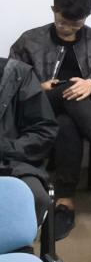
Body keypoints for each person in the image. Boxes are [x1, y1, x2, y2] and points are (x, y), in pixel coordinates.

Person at [9, 0, 91, 240]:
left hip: (81, 112)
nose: (67, 29)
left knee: (67, 123)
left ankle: (65, 202)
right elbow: (13, 77)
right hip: (38, 106)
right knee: (66, 87)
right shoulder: (30, 39)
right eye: (62, 22)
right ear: (53, 10)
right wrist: (39, 86)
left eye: (75, 24)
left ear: (86, 18)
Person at [0, 56, 58, 225]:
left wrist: (5, 147)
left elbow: (43, 130)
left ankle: (19, 240)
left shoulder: (17, 74)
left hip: (11, 162)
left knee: (35, 198)